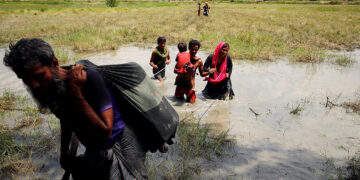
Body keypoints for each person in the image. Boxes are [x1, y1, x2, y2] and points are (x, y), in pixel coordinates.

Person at [3, 38, 177, 180]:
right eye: (25, 79)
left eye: (39, 76)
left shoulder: (89, 80)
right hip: (95, 147)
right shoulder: (49, 88)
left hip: (120, 144)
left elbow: (105, 132)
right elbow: (66, 118)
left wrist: (76, 94)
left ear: (54, 63)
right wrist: (65, 153)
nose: (34, 85)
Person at [174, 40, 215, 104]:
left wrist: (209, 72)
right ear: (189, 48)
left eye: (196, 50)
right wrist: (181, 71)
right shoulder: (184, 57)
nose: (194, 51)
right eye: (192, 49)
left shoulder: (199, 61)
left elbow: (202, 74)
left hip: (190, 86)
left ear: (198, 50)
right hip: (180, 84)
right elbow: (175, 70)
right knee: (177, 102)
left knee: (192, 104)